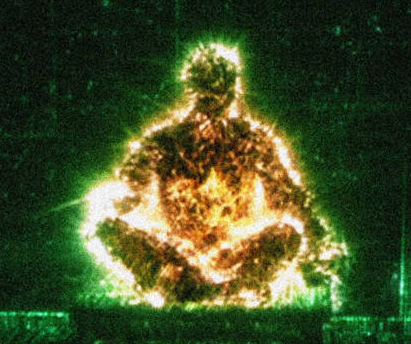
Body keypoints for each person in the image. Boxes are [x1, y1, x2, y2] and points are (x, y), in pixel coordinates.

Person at [82, 42, 347, 307]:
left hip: (233, 255)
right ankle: (196, 290)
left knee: (288, 235)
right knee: (105, 229)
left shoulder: (252, 141)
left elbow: (291, 199)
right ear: (194, 91)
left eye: (216, 90)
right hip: (176, 255)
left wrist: (321, 246)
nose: (212, 101)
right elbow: (126, 191)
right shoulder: (164, 142)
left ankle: (224, 292)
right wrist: (115, 202)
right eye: (206, 90)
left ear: (231, 91)